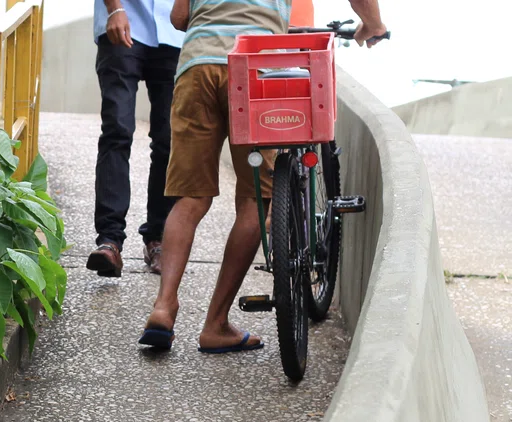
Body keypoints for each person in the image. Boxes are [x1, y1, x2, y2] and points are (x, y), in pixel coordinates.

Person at [138, 0, 386, 352]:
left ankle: (164, 307)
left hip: (197, 67)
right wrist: (372, 23)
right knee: (256, 200)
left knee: (190, 199)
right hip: (255, 69)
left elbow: (179, 18)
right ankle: (215, 324)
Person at [86, 0, 183, 278]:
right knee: (117, 131)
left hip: (176, 30)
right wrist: (114, 9)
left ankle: (159, 238)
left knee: (170, 139)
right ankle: (110, 240)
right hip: (122, 20)